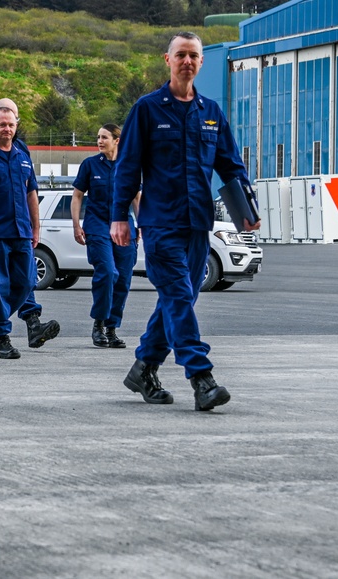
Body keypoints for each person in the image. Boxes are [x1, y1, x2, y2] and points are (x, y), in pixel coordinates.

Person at [111, 31, 260, 411]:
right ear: (168, 60)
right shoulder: (147, 109)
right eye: (181, 55)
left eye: (193, 55)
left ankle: (144, 367)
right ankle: (201, 377)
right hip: (160, 223)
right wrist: (120, 218)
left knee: (181, 299)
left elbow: (230, 165)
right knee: (179, 295)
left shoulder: (211, 112)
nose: (187, 61)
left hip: (198, 224)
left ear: (201, 62)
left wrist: (247, 208)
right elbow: (126, 168)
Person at [0, 98, 59, 351]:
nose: (7, 128)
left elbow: (31, 194)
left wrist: (35, 228)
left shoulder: (22, 155)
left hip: (21, 232)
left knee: (26, 281)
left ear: (17, 125)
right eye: (2, 124)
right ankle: (1, 338)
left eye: (11, 124)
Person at [72, 124, 138, 349]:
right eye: (98, 137)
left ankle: (112, 329)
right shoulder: (90, 165)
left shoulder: (129, 166)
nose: (99, 141)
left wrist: (142, 227)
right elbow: (77, 196)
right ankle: (98, 324)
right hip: (97, 225)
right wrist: (76, 226)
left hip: (123, 226)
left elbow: (137, 199)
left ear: (117, 140)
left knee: (124, 279)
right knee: (108, 272)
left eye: (104, 137)